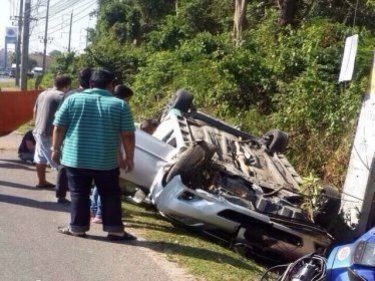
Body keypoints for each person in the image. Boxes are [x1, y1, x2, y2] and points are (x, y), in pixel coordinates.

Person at [52, 68, 136, 240]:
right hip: (106, 160)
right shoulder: (120, 105)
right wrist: (129, 157)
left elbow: (59, 127)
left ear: (90, 84)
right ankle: (115, 230)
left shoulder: (72, 99)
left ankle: (77, 228)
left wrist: (55, 149)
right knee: (111, 194)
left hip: (75, 158)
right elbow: (127, 135)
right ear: (111, 85)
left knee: (78, 194)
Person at [90, 83, 134, 224]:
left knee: (98, 185)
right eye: (128, 99)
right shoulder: (120, 107)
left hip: (98, 152)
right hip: (110, 154)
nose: (128, 103)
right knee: (108, 187)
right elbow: (123, 136)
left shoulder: (105, 106)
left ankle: (93, 209)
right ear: (124, 97)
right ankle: (100, 214)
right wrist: (123, 157)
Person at [55, 67, 92, 204]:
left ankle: (61, 194)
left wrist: (56, 147)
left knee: (64, 165)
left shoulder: (69, 95)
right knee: (87, 167)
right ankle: (83, 194)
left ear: (78, 79)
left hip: (69, 135)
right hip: (89, 136)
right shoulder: (96, 96)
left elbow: (59, 118)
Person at [33, 74, 71, 188]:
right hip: (50, 133)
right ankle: (63, 188)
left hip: (38, 130)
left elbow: (35, 110)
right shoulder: (62, 96)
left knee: (40, 158)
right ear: (67, 85)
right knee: (57, 161)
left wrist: (36, 125)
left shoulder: (43, 93)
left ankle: (42, 181)